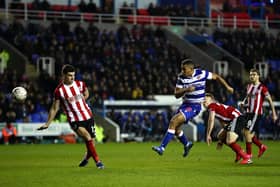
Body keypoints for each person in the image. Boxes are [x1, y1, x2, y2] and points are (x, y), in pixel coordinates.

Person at [152, 58, 234, 157]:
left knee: (173, 121)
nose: (182, 71)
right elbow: (176, 94)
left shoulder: (201, 73)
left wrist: (227, 86)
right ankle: (187, 144)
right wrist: (186, 89)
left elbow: (216, 77)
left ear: (191, 69)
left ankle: (162, 148)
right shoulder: (181, 77)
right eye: (181, 69)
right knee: (176, 128)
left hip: (195, 106)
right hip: (185, 104)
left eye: (184, 69)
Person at [37, 64, 104, 169]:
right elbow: (55, 108)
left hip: (88, 116)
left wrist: (83, 98)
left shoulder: (80, 84)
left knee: (92, 143)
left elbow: (86, 93)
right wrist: (48, 123)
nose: (72, 78)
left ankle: (86, 159)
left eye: (73, 75)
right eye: (69, 75)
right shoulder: (59, 91)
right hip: (74, 119)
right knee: (87, 136)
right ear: (63, 75)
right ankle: (98, 162)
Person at [203, 93, 252, 164]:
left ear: (212, 100)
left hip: (237, 118)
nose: (204, 102)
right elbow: (222, 122)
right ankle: (239, 152)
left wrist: (208, 134)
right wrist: (221, 140)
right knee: (220, 136)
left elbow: (211, 120)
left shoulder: (212, 106)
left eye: (205, 100)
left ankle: (246, 158)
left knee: (230, 141)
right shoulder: (216, 107)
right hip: (235, 119)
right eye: (203, 101)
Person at [239, 68, 277, 159]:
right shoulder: (249, 86)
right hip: (248, 113)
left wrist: (274, 114)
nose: (252, 76)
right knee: (245, 132)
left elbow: (270, 101)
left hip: (256, 114)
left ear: (258, 76)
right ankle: (261, 147)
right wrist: (243, 103)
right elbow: (247, 97)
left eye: (254, 74)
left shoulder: (262, 88)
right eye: (251, 75)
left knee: (248, 133)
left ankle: (248, 156)